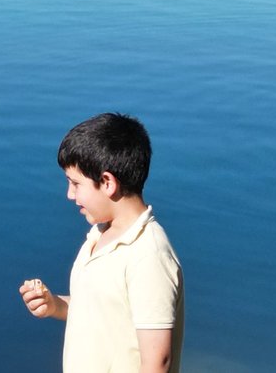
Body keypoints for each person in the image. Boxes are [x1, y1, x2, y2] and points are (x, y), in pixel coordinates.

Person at [19, 113, 184, 373]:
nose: (70, 195)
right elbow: (101, 310)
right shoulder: (100, 235)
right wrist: (55, 305)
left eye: (75, 184)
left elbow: (156, 362)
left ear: (107, 182)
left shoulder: (148, 255)